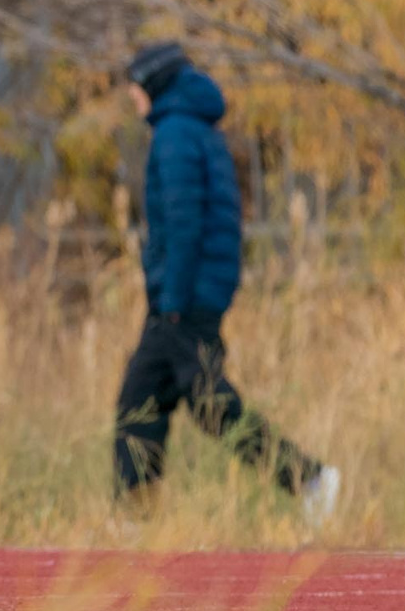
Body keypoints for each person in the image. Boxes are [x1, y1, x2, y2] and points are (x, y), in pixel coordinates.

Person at [114, 41, 342, 523]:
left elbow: (182, 225)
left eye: (135, 85)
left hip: (184, 299)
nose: (132, 96)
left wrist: (170, 302)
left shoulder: (175, 134)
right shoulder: (194, 129)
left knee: (180, 400)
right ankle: (135, 516)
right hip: (198, 293)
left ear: (152, 83)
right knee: (170, 399)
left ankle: (310, 481)